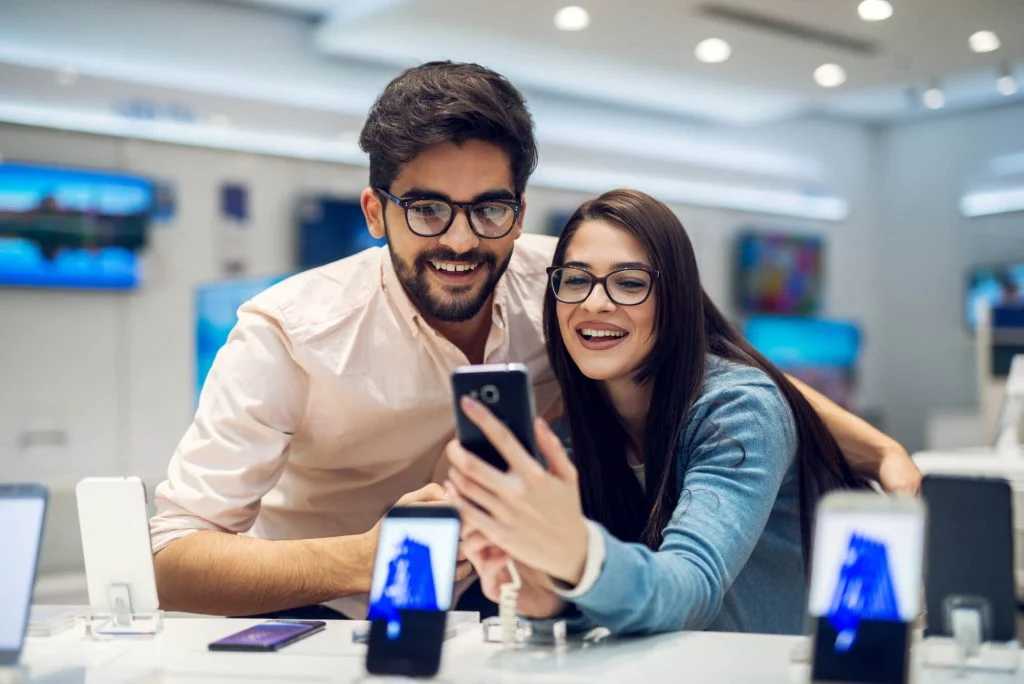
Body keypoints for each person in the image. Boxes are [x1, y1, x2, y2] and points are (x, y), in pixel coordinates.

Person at [150, 61, 920, 619]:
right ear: (375, 211)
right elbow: (169, 561)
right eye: (426, 209)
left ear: (518, 211)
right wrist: (363, 557)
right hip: (317, 611)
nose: (460, 238)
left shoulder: (572, 281)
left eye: (489, 209)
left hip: (498, 601)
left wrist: (876, 449)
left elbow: (715, 361)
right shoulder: (287, 333)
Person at [446, 189, 868, 635]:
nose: (594, 303)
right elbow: (631, 601)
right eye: (575, 279)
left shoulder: (740, 411)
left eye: (629, 283)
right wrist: (550, 597)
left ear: (676, 298)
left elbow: (688, 589)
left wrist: (577, 554)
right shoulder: (574, 432)